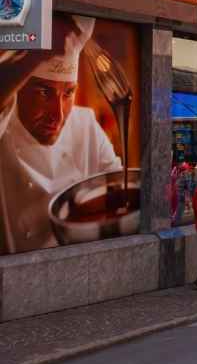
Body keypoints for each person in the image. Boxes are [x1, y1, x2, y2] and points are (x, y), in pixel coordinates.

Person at [0, 14, 123, 254]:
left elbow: (118, 186)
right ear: (19, 89)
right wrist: (33, 56)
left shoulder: (85, 125)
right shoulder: (4, 124)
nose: (57, 115)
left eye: (68, 93)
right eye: (44, 92)